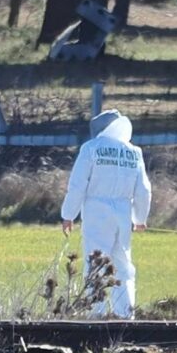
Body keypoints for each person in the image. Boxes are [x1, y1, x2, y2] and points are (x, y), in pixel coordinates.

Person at [60, 110, 152, 318]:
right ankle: (126, 315)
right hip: (123, 214)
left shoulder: (91, 148)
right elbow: (144, 190)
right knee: (123, 265)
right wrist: (140, 219)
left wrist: (68, 214)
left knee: (95, 262)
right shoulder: (133, 152)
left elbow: (77, 185)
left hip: (95, 212)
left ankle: (95, 314)